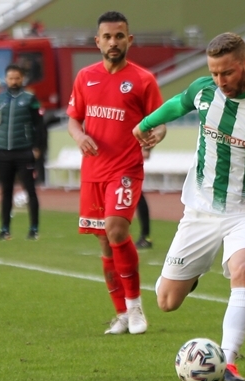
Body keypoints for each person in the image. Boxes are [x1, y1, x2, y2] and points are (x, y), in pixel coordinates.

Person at [133, 32, 245, 381]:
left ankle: (228, 361)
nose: (220, 81)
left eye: (227, 73)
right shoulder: (204, 91)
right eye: (214, 73)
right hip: (201, 208)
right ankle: (195, 273)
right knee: (167, 301)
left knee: (244, 270)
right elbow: (179, 104)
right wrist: (147, 123)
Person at [67, 11, 166, 335]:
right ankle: (121, 313)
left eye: (119, 36)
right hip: (93, 171)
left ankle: (136, 307)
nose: (113, 42)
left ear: (129, 40)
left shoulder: (143, 80)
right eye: (107, 37)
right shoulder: (85, 77)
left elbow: (160, 121)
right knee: (105, 244)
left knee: (117, 230)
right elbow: (74, 119)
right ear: (98, 41)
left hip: (125, 168)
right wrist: (80, 136)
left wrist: (157, 135)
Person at [0, 64, 45, 241]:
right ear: (6, 79)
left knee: (30, 191)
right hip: (3, 152)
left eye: (17, 78)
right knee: (6, 192)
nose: (14, 81)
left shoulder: (30, 98)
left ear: (22, 79)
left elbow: (39, 125)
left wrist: (37, 147)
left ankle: (34, 229)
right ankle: (4, 229)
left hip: (24, 151)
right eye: (11, 78)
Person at [135, 148, 152, 249]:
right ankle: (145, 236)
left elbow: (151, 131)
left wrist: (146, 148)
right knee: (137, 195)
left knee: (137, 195)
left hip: (129, 156)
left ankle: (145, 237)